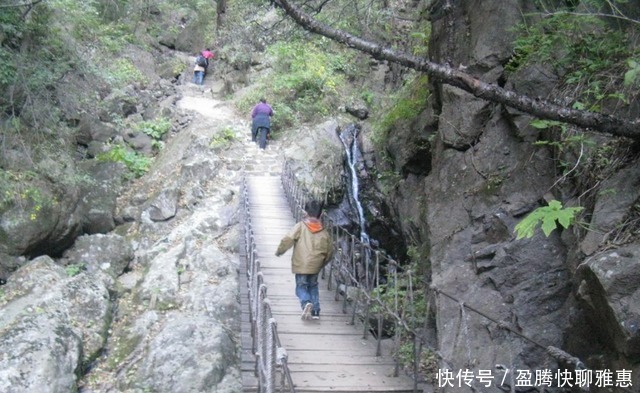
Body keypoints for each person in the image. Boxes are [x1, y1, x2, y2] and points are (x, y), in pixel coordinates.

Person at [275, 200, 334, 320]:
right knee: (313, 286)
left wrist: (280, 251)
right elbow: (330, 251)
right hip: (316, 265)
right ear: (321, 214)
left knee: (301, 286)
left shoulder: (300, 226)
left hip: (301, 264)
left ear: (305, 213)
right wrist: (323, 263)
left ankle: (306, 302)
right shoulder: (324, 231)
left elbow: (288, 239)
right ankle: (316, 311)